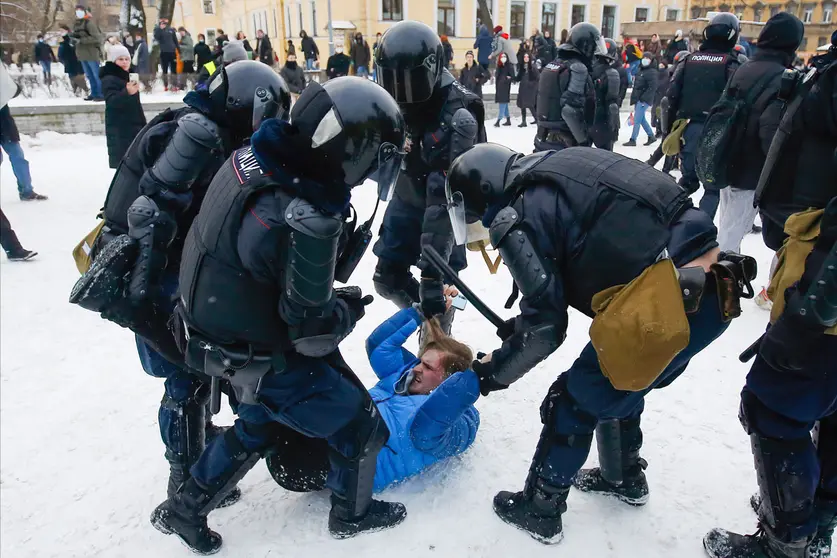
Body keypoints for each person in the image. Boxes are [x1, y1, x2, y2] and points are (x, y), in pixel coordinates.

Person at [444, 142, 756, 545]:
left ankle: (540, 509)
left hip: (670, 300)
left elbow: (545, 330)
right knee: (619, 375)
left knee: (573, 397)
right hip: (711, 291)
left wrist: (490, 373)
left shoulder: (516, 212)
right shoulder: (558, 166)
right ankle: (622, 476)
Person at [149, 77, 408, 553]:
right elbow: (311, 334)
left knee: (256, 424)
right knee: (364, 426)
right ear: (346, 148)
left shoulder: (252, 160)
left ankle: (185, 510)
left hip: (215, 331)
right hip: (262, 350)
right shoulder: (307, 214)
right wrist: (347, 309)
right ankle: (353, 515)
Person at [69, 61, 291, 532]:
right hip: (153, 274)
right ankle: (183, 481)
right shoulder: (197, 134)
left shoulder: (196, 123)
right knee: (185, 377)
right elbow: (152, 214)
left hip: (160, 270)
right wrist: (144, 301)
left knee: (195, 370)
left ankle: (200, 453)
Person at [703, 34, 837, 555]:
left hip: (823, 288)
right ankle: (816, 516)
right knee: (826, 406)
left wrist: (808, 314)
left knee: (774, 407)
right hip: (813, 259)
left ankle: (787, 542)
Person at [264, 299, 480, 493]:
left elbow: (426, 431)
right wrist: (420, 312)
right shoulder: (402, 375)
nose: (417, 368)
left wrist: (475, 380)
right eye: (420, 361)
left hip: (338, 467)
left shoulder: (460, 421)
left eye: (427, 366)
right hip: (316, 436)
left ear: (450, 380)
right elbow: (379, 345)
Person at [372, 21, 486, 332]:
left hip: (446, 212)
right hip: (407, 196)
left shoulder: (458, 114)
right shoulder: (393, 102)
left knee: (439, 295)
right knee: (387, 279)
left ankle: (438, 343)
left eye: (407, 82)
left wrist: (432, 274)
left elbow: (447, 195)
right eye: (392, 82)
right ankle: (430, 321)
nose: (399, 93)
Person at [715, 13, 804, 255]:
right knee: (730, 238)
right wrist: (781, 170)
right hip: (752, 169)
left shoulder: (746, 67)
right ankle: (717, 283)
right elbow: (771, 130)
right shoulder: (782, 77)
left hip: (729, 159)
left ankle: (719, 277)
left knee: (729, 227)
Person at [666, 13, 742, 219]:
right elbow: (739, 103)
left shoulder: (689, 60)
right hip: (716, 134)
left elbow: (670, 97)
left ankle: (669, 219)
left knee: (687, 181)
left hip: (688, 129)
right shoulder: (732, 64)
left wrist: (668, 130)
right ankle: (700, 231)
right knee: (711, 188)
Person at [533, 22, 602, 152]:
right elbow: (569, 111)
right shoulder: (578, 69)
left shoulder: (553, 65)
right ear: (586, 46)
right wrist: (583, 141)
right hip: (565, 142)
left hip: (543, 138)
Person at [100, 44, 146, 169]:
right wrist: (127, 92)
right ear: (113, 61)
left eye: (127, 59)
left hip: (133, 124)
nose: (125, 62)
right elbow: (112, 102)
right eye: (120, 59)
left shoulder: (128, 76)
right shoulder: (109, 78)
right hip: (120, 127)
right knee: (126, 164)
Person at [0, 91, 48, 201]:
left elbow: (14, 89)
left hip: (5, 125)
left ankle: (26, 191)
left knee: (18, 158)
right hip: (5, 125)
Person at [590, 38, 621, 150]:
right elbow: (612, 103)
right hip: (602, 121)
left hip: (587, 119)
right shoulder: (612, 74)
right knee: (605, 160)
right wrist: (614, 128)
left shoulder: (587, 70)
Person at [624, 52, 658, 147]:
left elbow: (652, 88)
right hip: (639, 98)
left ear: (651, 60)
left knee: (637, 120)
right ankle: (651, 136)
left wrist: (644, 99)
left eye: (648, 58)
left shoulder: (652, 72)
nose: (645, 59)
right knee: (641, 119)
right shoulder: (641, 70)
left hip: (643, 100)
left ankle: (633, 139)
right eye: (644, 57)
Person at [72, 4, 104, 101]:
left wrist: (81, 40)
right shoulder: (77, 24)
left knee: (96, 75)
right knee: (89, 75)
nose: (78, 12)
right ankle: (94, 93)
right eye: (77, 10)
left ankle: (100, 94)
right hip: (82, 54)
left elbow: (97, 38)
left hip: (91, 53)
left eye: (80, 10)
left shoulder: (89, 24)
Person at [57, 25, 88, 96]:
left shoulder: (72, 38)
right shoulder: (63, 39)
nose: (60, 32)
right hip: (68, 61)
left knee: (77, 76)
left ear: (67, 31)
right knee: (72, 77)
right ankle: (76, 91)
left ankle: (84, 90)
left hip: (75, 61)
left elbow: (73, 48)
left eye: (62, 31)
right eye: (60, 31)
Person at [154, 19, 180, 91]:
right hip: (164, 53)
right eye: (161, 23)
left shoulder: (171, 30)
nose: (163, 24)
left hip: (172, 52)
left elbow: (175, 41)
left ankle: (174, 85)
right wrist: (160, 29)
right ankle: (166, 85)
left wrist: (179, 50)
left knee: (174, 70)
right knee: (164, 70)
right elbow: (156, 37)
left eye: (164, 23)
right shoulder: (158, 30)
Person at [517, 52, 540, 128]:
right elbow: (519, 77)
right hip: (523, 88)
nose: (526, 58)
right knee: (522, 105)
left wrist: (531, 84)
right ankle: (524, 121)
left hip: (530, 89)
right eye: (524, 57)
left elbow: (537, 78)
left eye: (527, 57)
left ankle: (537, 120)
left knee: (531, 105)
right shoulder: (522, 67)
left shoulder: (533, 67)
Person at [493, 53, 514, 127]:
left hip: (505, 87)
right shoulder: (499, 66)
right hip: (499, 88)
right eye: (502, 57)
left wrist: (507, 79)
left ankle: (498, 120)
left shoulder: (509, 66)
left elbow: (512, 77)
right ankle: (508, 119)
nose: (503, 58)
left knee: (502, 103)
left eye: (505, 56)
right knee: (504, 104)